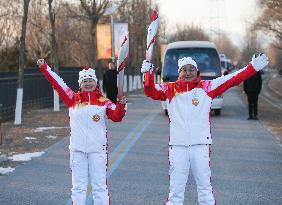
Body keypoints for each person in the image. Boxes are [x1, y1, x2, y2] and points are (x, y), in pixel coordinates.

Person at [141, 54, 269, 205]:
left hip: (200, 145)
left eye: (191, 69)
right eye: (184, 69)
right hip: (178, 146)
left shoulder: (207, 87)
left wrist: (252, 68)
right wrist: (147, 74)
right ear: (179, 72)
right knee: (175, 192)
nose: (188, 72)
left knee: (205, 190)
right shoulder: (169, 89)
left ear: (197, 71)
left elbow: (233, 79)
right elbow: (150, 91)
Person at [37, 59, 127, 205]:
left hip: (97, 151)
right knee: (79, 188)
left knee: (100, 188)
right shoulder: (72, 98)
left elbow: (117, 116)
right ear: (80, 84)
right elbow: (57, 82)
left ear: (95, 82)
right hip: (77, 151)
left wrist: (121, 105)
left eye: (90, 80)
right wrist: (45, 68)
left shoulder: (104, 101)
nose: (88, 83)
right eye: (84, 81)